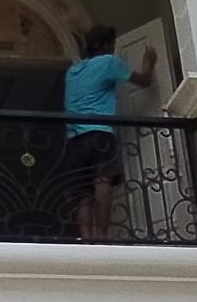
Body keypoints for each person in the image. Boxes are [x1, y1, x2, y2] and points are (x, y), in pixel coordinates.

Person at [62, 26, 158, 241]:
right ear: (105, 45)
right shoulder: (108, 62)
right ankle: (101, 235)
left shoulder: (73, 71)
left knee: (83, 194)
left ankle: (87, 238)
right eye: (113, 44)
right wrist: (149, 61)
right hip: (100, 134)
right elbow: (144, 80)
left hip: (74, 139)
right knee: (102, 181)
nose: (114, 49)